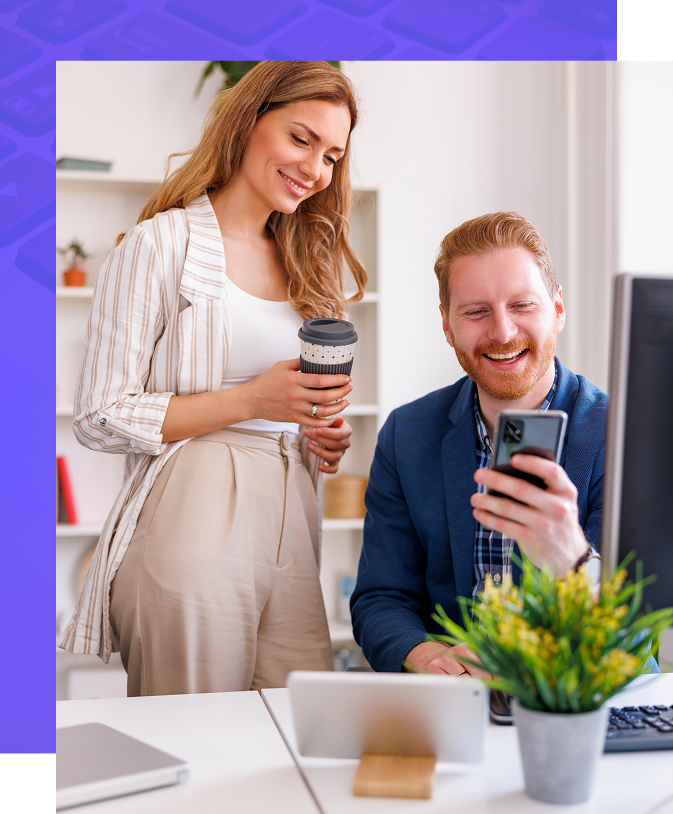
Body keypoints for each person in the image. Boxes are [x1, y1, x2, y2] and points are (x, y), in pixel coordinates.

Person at [58, 61, 367, 696]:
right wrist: (254, 398)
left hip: (292, 506)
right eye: (301, 139)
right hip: (193, 506)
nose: (315, 169)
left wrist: (316, 432)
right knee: (196, 734)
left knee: (294, 732)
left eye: (332, 155)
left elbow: (283, 407)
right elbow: (99, 414)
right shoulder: (157, 246)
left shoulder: (305, 261)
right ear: (248, 123)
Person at [350, 211, 609, 678]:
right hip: (458, 701)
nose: (503, 333)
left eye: (522, 305)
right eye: (476, 311)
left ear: (558, 310)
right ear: (448, 326)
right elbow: (381, 597)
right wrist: (426, 656)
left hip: (583, 702)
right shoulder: (406, 434)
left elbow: (638, 619)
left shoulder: (619, 432)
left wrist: (572, 558)